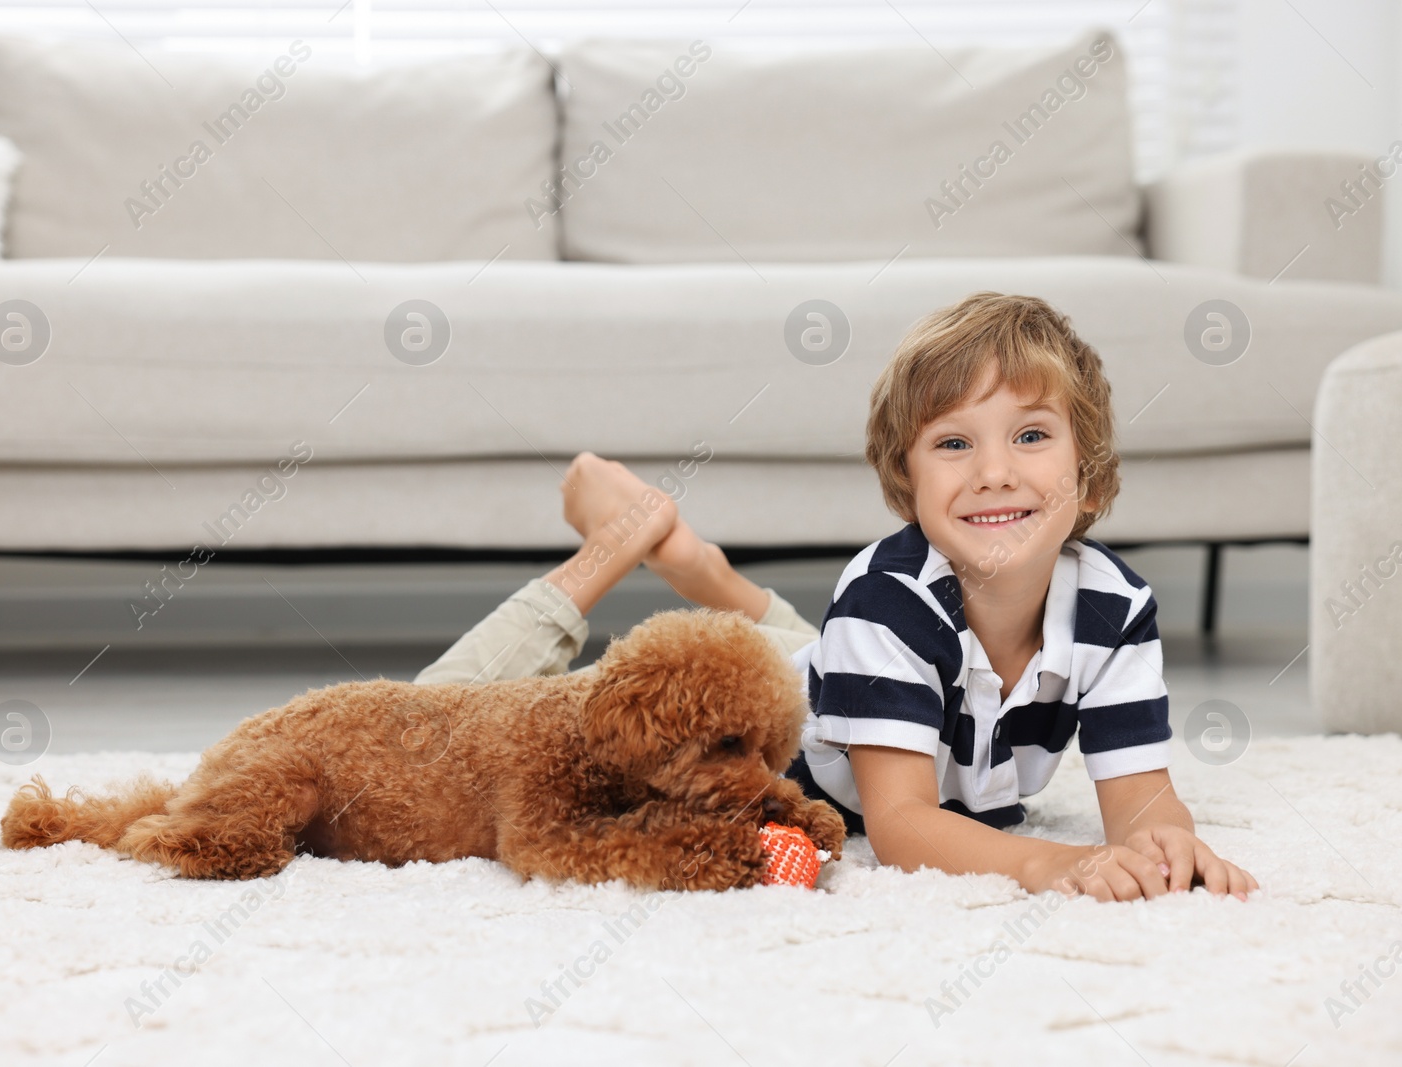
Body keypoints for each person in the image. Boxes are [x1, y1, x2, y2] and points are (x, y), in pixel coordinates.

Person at [415, 292, 1257, 903]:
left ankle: (694, 560)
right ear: (907, 480)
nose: (996, 470)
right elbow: (900, 826)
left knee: (815, 654)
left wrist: (1168, 848)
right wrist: (1046, 863)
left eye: (1032, 435)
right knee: (433, 725)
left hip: (827, 671)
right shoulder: (885, 601)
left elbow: (1142, 797)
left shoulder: (1116, 605)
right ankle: (618, 544)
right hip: (774, 728)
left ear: (1089, 464)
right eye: (954, 442)